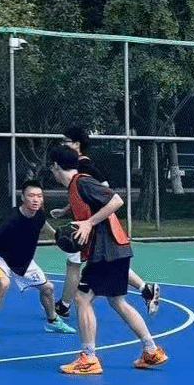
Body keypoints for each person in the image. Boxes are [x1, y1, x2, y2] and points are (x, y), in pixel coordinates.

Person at [49, 145, 168, 375]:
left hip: (106, 250)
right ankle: (151, 350)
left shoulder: (82, 182)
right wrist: (67, 213)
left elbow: (116, 200)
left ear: (56, 166)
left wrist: (89, 223)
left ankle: (89, 358)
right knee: (117, 302)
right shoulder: (75, 187)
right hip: (114, 250)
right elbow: (91, 205)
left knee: (82, 298)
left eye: (51, 167)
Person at [49, 126, 160, 318]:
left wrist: (90, 222)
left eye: (66, 141)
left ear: (76, 144)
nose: (63, 144)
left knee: (78, 271)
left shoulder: (83, 166)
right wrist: (67, 210)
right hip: (90, 231)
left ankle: (65, 305)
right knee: (114, 287)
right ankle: (145, 288)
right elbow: (84, 195)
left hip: (97, 233)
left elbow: (105, 193)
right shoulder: (76, 168)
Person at [0, 180, 75, 345]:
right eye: (31, 196)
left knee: (48, 288)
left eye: (39, 196)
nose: (36, 199)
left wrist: (58, 236)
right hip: (0, 256)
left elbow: (43, 224)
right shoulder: (11, 218)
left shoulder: (39, 214)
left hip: (23, 260)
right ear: (23, 198)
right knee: (3, 284)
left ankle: (53, 321)